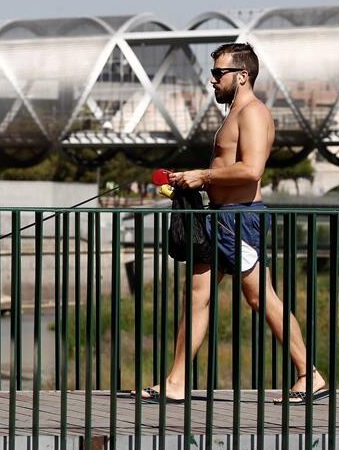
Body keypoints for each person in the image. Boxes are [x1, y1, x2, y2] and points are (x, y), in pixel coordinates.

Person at [140, 43, 327, 405]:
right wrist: (191, 179)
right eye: (212, 73)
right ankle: (176, 382)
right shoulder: (235, 113)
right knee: (197, 296)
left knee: (259, 297)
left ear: (242, 76)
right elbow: (229, 166)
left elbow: (251, 170)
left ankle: (310, 374)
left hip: (239, 220)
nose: (212, 81)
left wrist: (204, 176)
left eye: (218, 73)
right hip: (221, 218)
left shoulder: (253, 114)